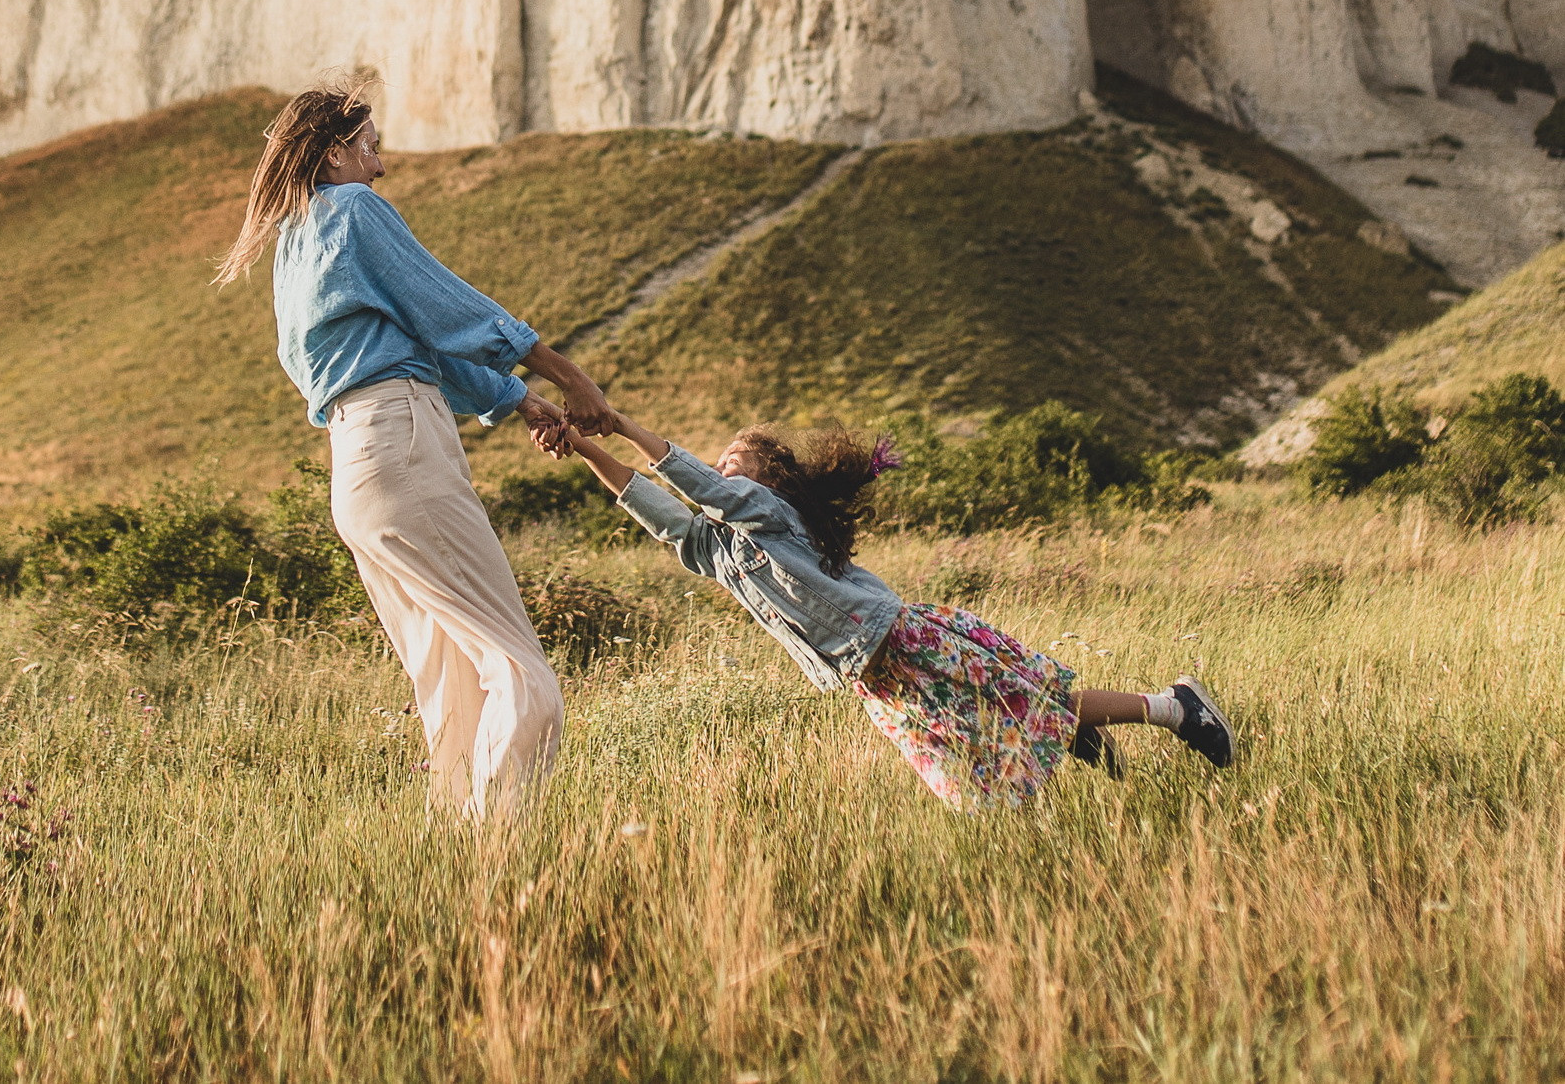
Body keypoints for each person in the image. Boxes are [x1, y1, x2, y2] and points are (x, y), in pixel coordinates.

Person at [215, 79, 612, 817]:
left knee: (451, 685)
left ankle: (457, 856)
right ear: (334, 156)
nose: (380, 167)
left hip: (357, 465)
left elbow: (406, 338)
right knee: (523, 676)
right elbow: (447, 306)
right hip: (401, 443)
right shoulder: (355, 209)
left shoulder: (295, 242)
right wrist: (567, 375)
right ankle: (500, 848)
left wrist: (519, 400)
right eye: (370, 148)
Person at [551, 408, 1236, 811]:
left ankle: (1175, 706)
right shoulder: (723, 550)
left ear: (772, 479)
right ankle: (1065, 743)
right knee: (963, 785)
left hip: (900, 638)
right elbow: (664, 516)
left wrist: (613, 421)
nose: (723, 469)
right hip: (868, 676)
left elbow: (695, 484)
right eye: (722, 461)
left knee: (1040, 704)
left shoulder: (770, 512)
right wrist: (583, 446)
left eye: (735, 461)